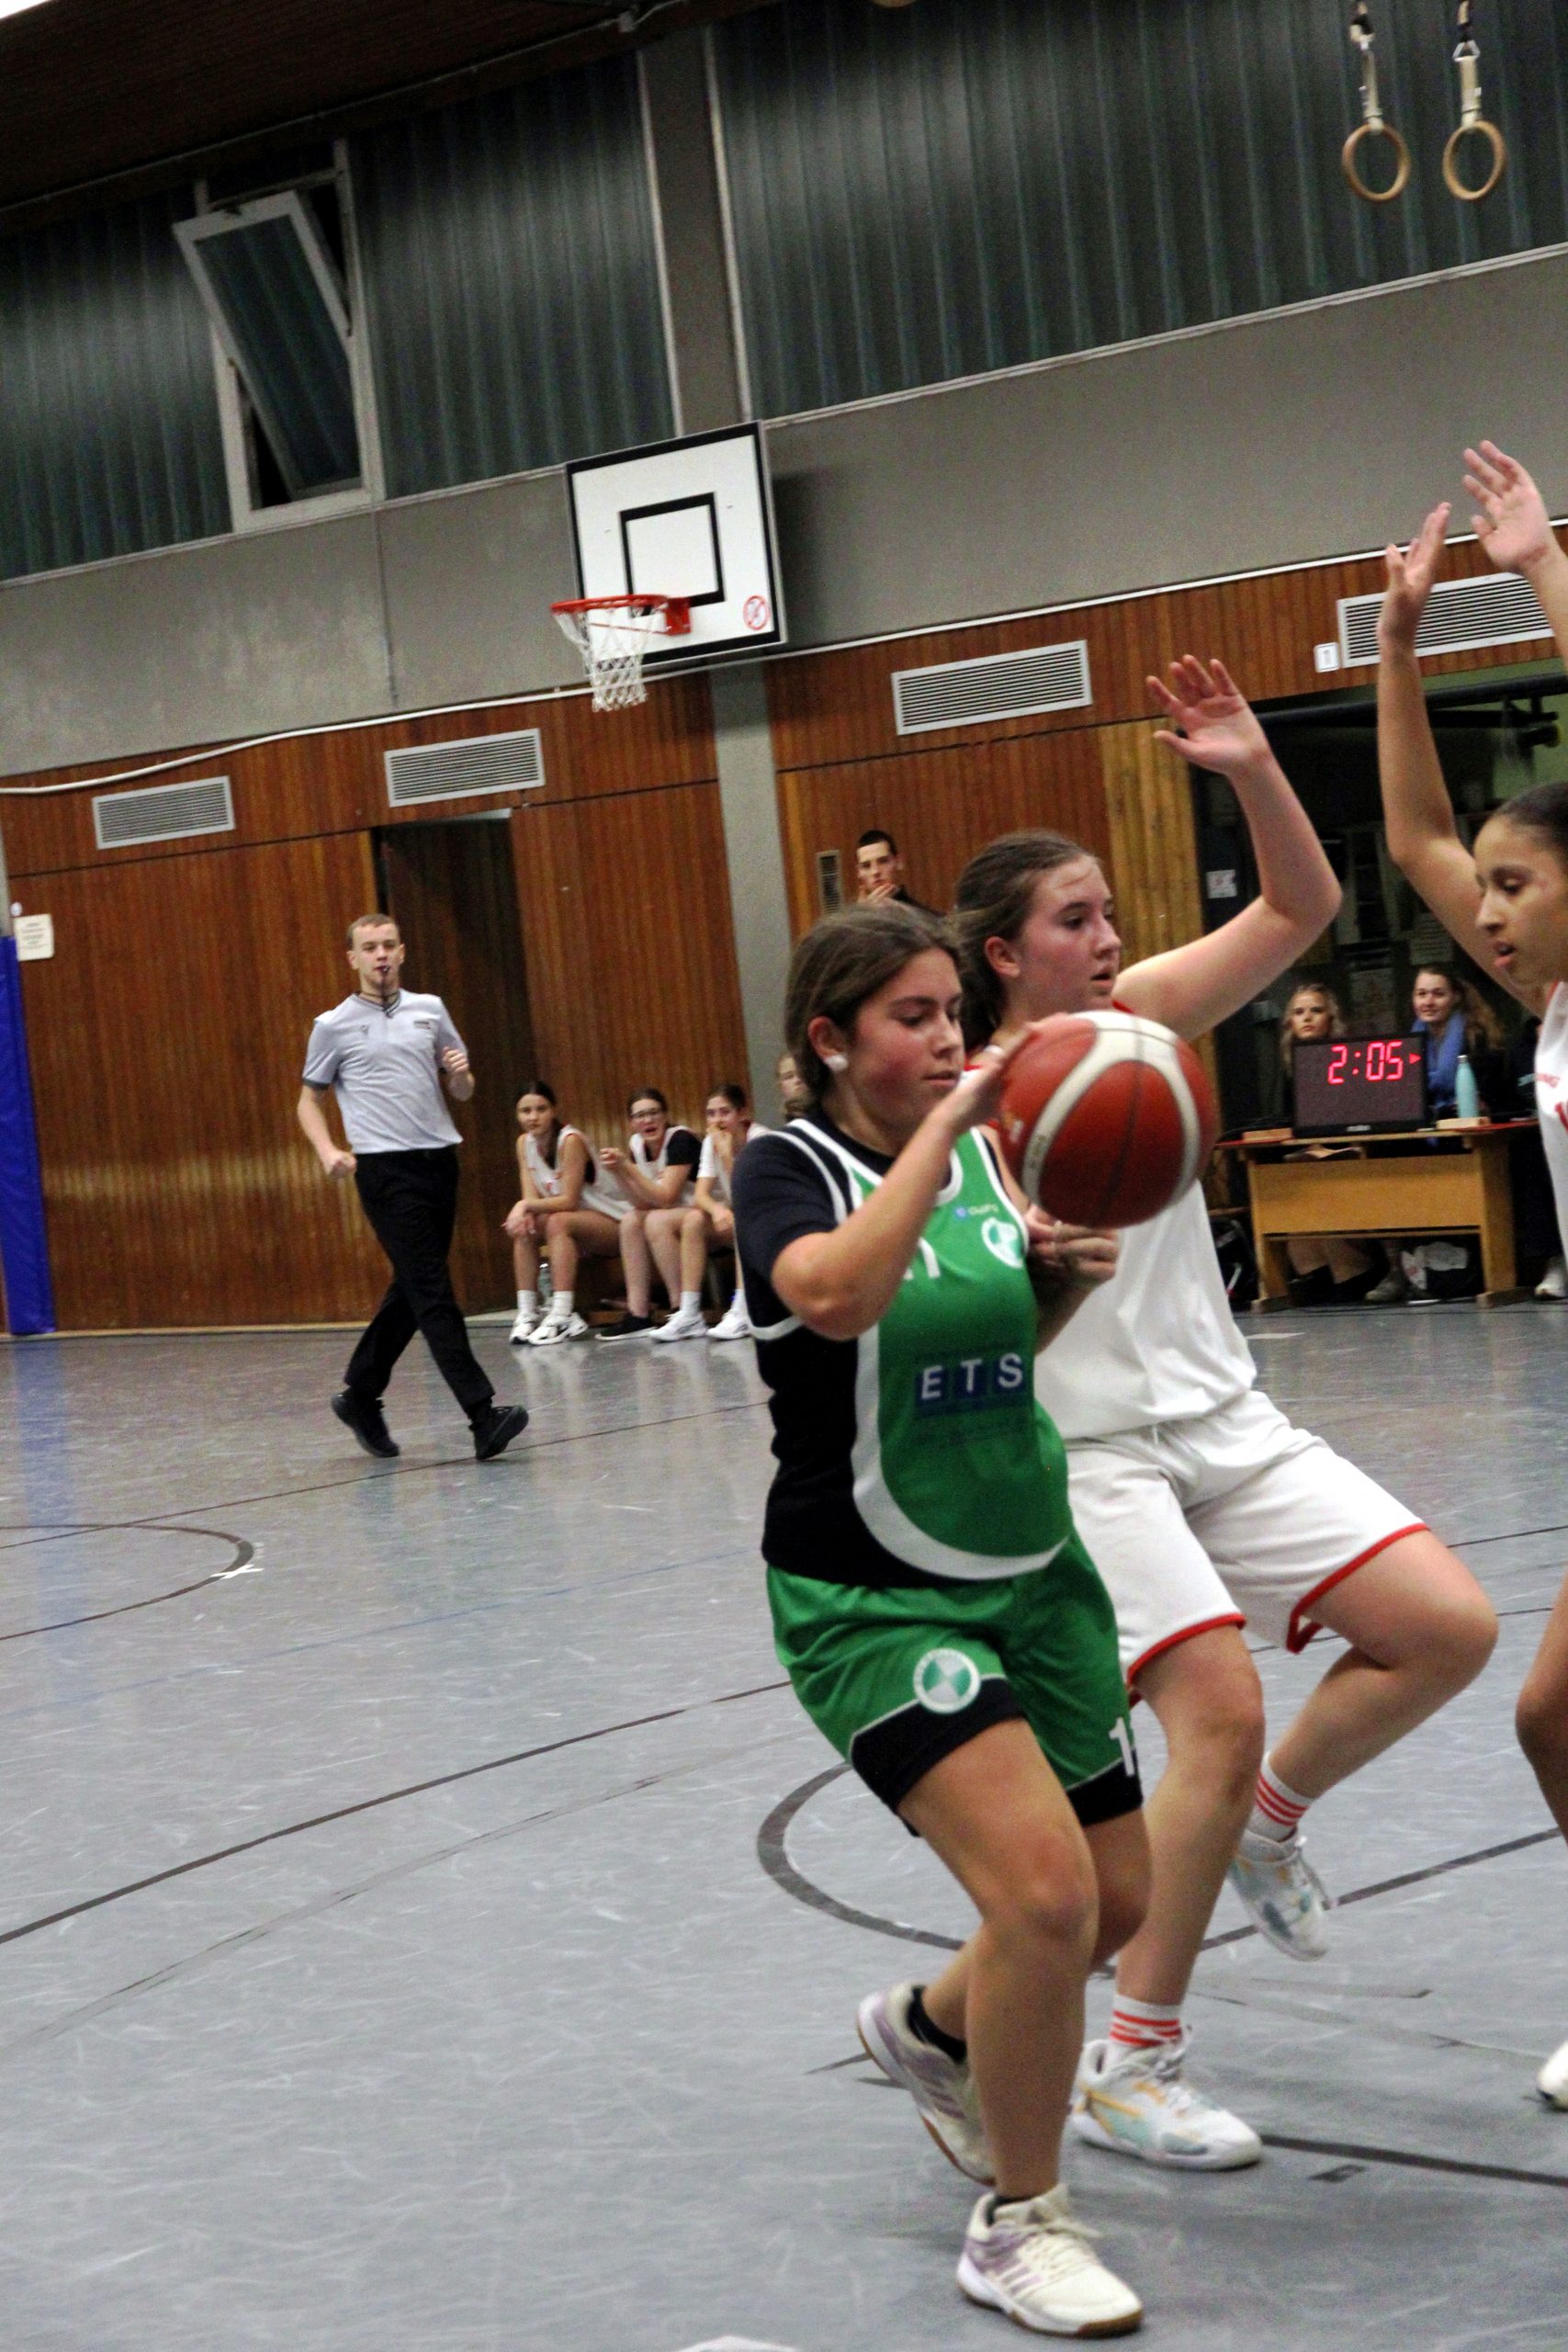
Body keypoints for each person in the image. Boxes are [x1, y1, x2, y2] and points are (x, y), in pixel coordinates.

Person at [953, 657, 1497, 2173]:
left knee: (1444, 1628)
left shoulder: (1137, 1019)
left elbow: (1299, 908)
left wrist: (1252, 767)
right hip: (1090, 1455)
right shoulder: (962, 1102)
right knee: (1213, 1708)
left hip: (1225, 1420)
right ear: (1003, 953)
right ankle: (1133, 2060)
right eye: (1073, 920)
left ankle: (1266, 1821)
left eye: (1105, 914)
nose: (1106, 938)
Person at [732, 902, 1149, 2336]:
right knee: (1041, 1899)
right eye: (910, 1018)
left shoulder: (980, 1155)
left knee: (1119, 1897)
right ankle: (1020, 2225)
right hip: (870, 1592)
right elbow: (836, 1299)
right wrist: (953, 1127)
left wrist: (1050, 1284)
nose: (944, 1039)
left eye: (949, 1015)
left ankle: (928, 2030)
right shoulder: (784, 1167)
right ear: (828, 1038)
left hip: (1028, 1566)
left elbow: (985, 1353)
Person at [1376, 458, 1568, 2108]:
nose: (1482, 913)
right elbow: (1415, 834)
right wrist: (1394, 647)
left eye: (1516, 886)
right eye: (1486, 894)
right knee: (1552, 1721)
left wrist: (1543, 571)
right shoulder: (1546, 1007)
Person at [297, 914, 527, 1464]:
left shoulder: (431, 1010)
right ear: (352, 958)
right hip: (385, 1171)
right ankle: (482, 1415)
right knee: (433, 1290)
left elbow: (463, 1089)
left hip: (439, 1161)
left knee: (414, 1285)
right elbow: (308, 1100)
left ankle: (360, 1394)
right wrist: (328, 1151)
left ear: (401, 952)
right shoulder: (333, 1025)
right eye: (369, 947)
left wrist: (460, 1074)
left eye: (388, 946)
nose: (380, 955)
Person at [1362, 964, 1509, 1304]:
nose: (1428, 1002)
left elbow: (1493, 1097)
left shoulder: (1477, 1037)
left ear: (1455, 997)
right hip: (1424, 1136)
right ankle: (1399, 1268)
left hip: (1467, 1137)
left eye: (1438, 994)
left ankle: (1469, 1269)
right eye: (1422, 994)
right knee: (1383, 1161)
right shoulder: (1408, 1042)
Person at [502, 1082, 643, 1346]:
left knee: (557, 1221)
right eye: (525, 1111)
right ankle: (528, 1312)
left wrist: (524, 1206)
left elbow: (568, 1200)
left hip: (616, 1222)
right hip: (575, 1225)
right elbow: (532, 1200)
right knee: (525, 1226)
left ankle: (563, 1313)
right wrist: (524, 1210)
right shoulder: (524, 1143)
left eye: (541, 1109)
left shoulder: (570, 1140)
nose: (533, 1117)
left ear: (553, 1110)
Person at [1269, 982, 1380, 1306]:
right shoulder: (1288, 1065)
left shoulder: (1349, 1058)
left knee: (1323, 1172)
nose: (1307, 1018)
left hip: (1347, 1149)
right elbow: (1287, 1121)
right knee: (1293, 1174)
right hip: (1307, 1152)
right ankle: (1312, 1269)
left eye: (1316, 1011)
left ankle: (1352, 1269)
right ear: (1289, 1022)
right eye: (1299, 1012)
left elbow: (1361, 1113)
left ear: (1330, 1018)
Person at [601, 1089, 704, 1341]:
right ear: (631, 1123)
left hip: (706, 1212)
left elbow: (667, 1197)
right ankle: (638, 1314)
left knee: (657, 1220)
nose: (648, 1120)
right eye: (640, 1116)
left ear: (665, 1115)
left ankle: (681, 1309)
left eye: (654, 1113)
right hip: (676, 1215)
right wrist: (618, 1173)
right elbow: (641, 1203)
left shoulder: (680, 1139)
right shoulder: (637, 1145)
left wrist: (627, 1167)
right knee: (630, 1220)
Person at [685, 1082, 770, 1342]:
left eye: (725, 1112)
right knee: (693, 1220)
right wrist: (717, 1209)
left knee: (743, 1220)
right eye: (711, 1114)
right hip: (742, 1211)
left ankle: (743, 1309)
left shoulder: (760, 1139)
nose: (717, 1120)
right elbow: (700, 1194)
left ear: (742, 1113)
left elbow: (749, 1194)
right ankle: (688, 1313)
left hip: (769, 1216)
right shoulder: (710, 1143)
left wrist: (726, 1155)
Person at [855, 828, 938, 914]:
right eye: (866, 866)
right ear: (859, 872)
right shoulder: (854, 918)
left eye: (883, 861)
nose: (875, 871)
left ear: (899, 862)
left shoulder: (925, 916)